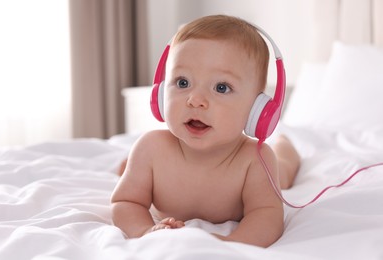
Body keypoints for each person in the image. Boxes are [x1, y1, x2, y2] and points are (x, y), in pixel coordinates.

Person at [110, 14, 300, 247]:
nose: (196, 100)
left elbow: (267, 218)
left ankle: (286, 145)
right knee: (130, 170)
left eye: (221, 87)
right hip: (142, 160)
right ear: (160, 92)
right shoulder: (150, 148)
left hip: (272, 166)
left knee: (284, 172)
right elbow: (125, 202)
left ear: (256, 109)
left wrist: (230, 243)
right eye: (182, 82)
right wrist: (145, 231)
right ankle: (127, 167)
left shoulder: (255, 160)